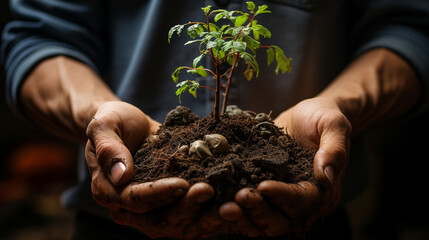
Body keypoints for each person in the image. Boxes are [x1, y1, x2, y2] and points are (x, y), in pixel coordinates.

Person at [2, 0, 429, 239]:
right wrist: (97, 118)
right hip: (116, 224)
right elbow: (39, 36)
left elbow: (409, 29)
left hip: (305, 220)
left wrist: (341, 108)